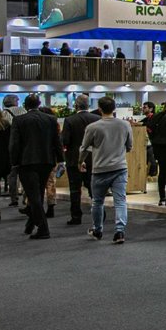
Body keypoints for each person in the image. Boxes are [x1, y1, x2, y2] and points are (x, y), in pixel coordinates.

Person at [8, 95, 63, 239]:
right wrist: (61, 160)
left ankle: (43, 228)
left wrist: (14, 162)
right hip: (47, 161)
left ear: (25, 105)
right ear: (39, 104)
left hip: (27, 162)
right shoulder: (50, 119)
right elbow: (57, 141)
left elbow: (14, 144)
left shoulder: (19, 120)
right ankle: (30, 224)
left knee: (33, 196)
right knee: (38, 193)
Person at [80, 97, 133, 244]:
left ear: (99, 109)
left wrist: (80, 161)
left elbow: (84, 148)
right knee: (120, 201)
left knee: (97, 201)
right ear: (114, 108)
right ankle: (120, 231)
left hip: (100, 169)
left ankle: (97, 230)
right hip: (120, 168)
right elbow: (129, 146)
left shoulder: (93, 127)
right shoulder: (125, 125)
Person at [60, 95, 100, 225]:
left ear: (76, 106)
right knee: (93, 188)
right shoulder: (97, 119)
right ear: (88, 105)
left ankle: (76, 216)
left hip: (74, 159)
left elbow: (65, 140)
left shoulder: (69, 120)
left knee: (75, 189)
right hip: (93, 159)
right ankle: (100, 214)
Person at [1, 94, 25, 207]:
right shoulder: (23, 111)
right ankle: (26, 197)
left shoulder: (3, 114)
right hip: (24, 147)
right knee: (25, 174)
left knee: (12, 175)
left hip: (10, 148)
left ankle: (13, 198)